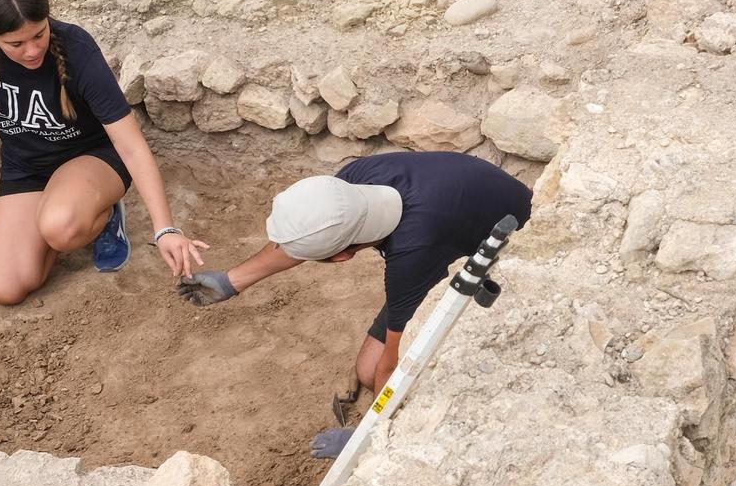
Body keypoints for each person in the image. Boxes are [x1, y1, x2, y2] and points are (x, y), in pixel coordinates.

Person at [182, 150, 532, 454]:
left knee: (373, 371)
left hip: (516, 254)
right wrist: (232, 280)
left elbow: (395, 365)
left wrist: (369, 434)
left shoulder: (412, 256)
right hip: (467, 212)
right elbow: (310, 233)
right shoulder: (352, 183)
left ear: (341, 258)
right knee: (368, 370)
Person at [0, 0, 206, 305]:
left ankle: (99, 212)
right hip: (26, 167)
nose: (31, 51)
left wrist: (165, 229)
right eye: (15, 43)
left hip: (91, 159)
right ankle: (53, 214)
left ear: (47, 16)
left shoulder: (78, 50)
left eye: (39, 35)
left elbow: (130, 145)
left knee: (60, 227)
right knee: (8, 289)